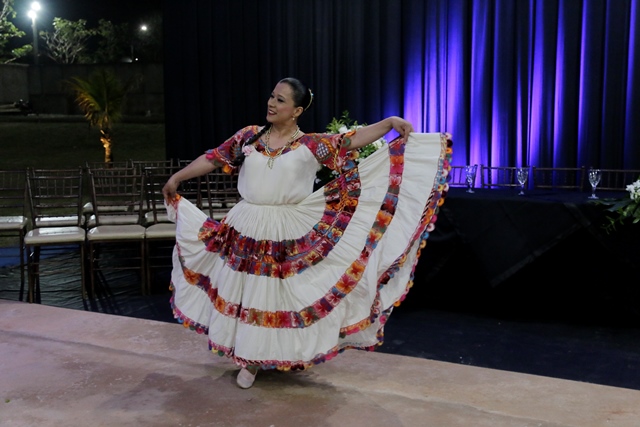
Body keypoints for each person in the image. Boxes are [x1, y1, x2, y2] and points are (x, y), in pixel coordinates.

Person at [162, 77, 451, 389]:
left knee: (273, 295)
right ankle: (246, 354)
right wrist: (177, 178)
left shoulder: (311, 145)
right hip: (244, 225)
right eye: (272, 96)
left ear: (297, 110)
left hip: (283, 228)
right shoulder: (249, 136)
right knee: (243, 291)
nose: (272, 103)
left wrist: (390, 122)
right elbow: (213, 157)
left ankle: (260, 357)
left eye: (281, 100)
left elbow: (352, 140)